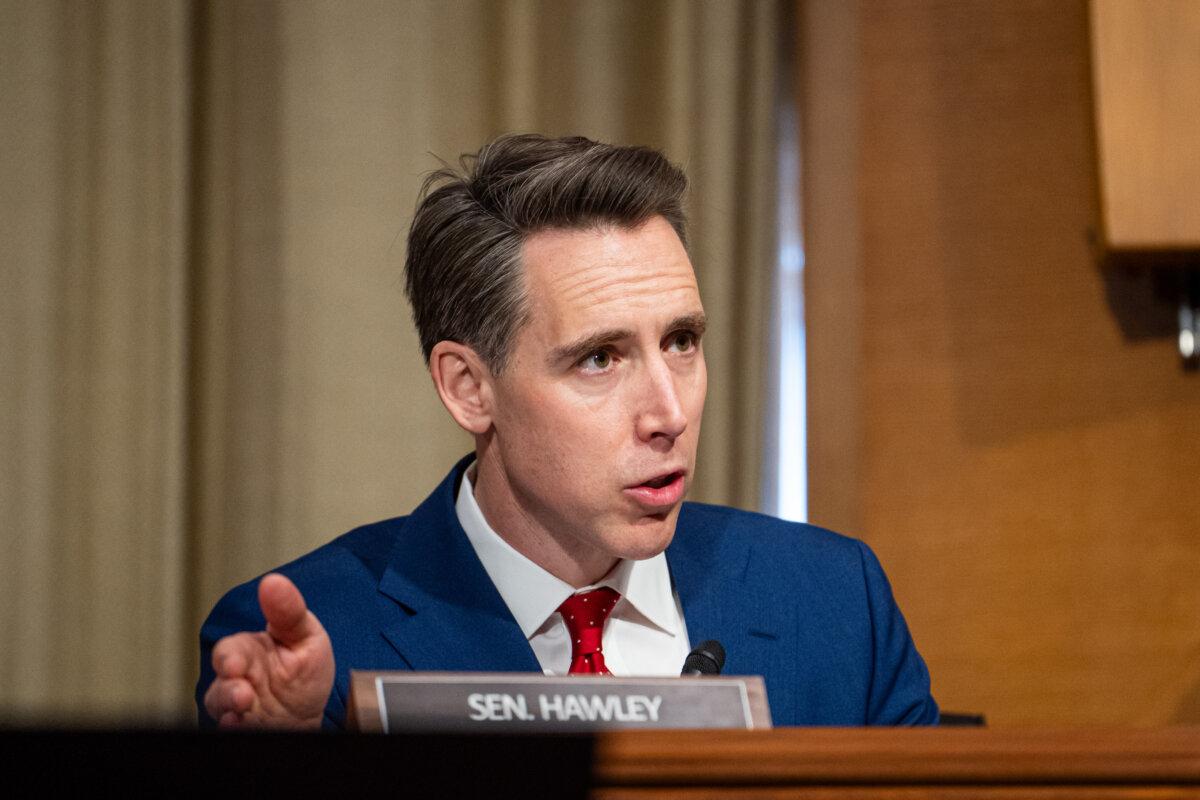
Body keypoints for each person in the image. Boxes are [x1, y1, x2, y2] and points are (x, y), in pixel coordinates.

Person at [197, 134, 938, 729]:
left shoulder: (836, 602)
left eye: (681, 341)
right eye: (599, 359)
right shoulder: (319, 640)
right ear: (469, 388)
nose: (669, 414)